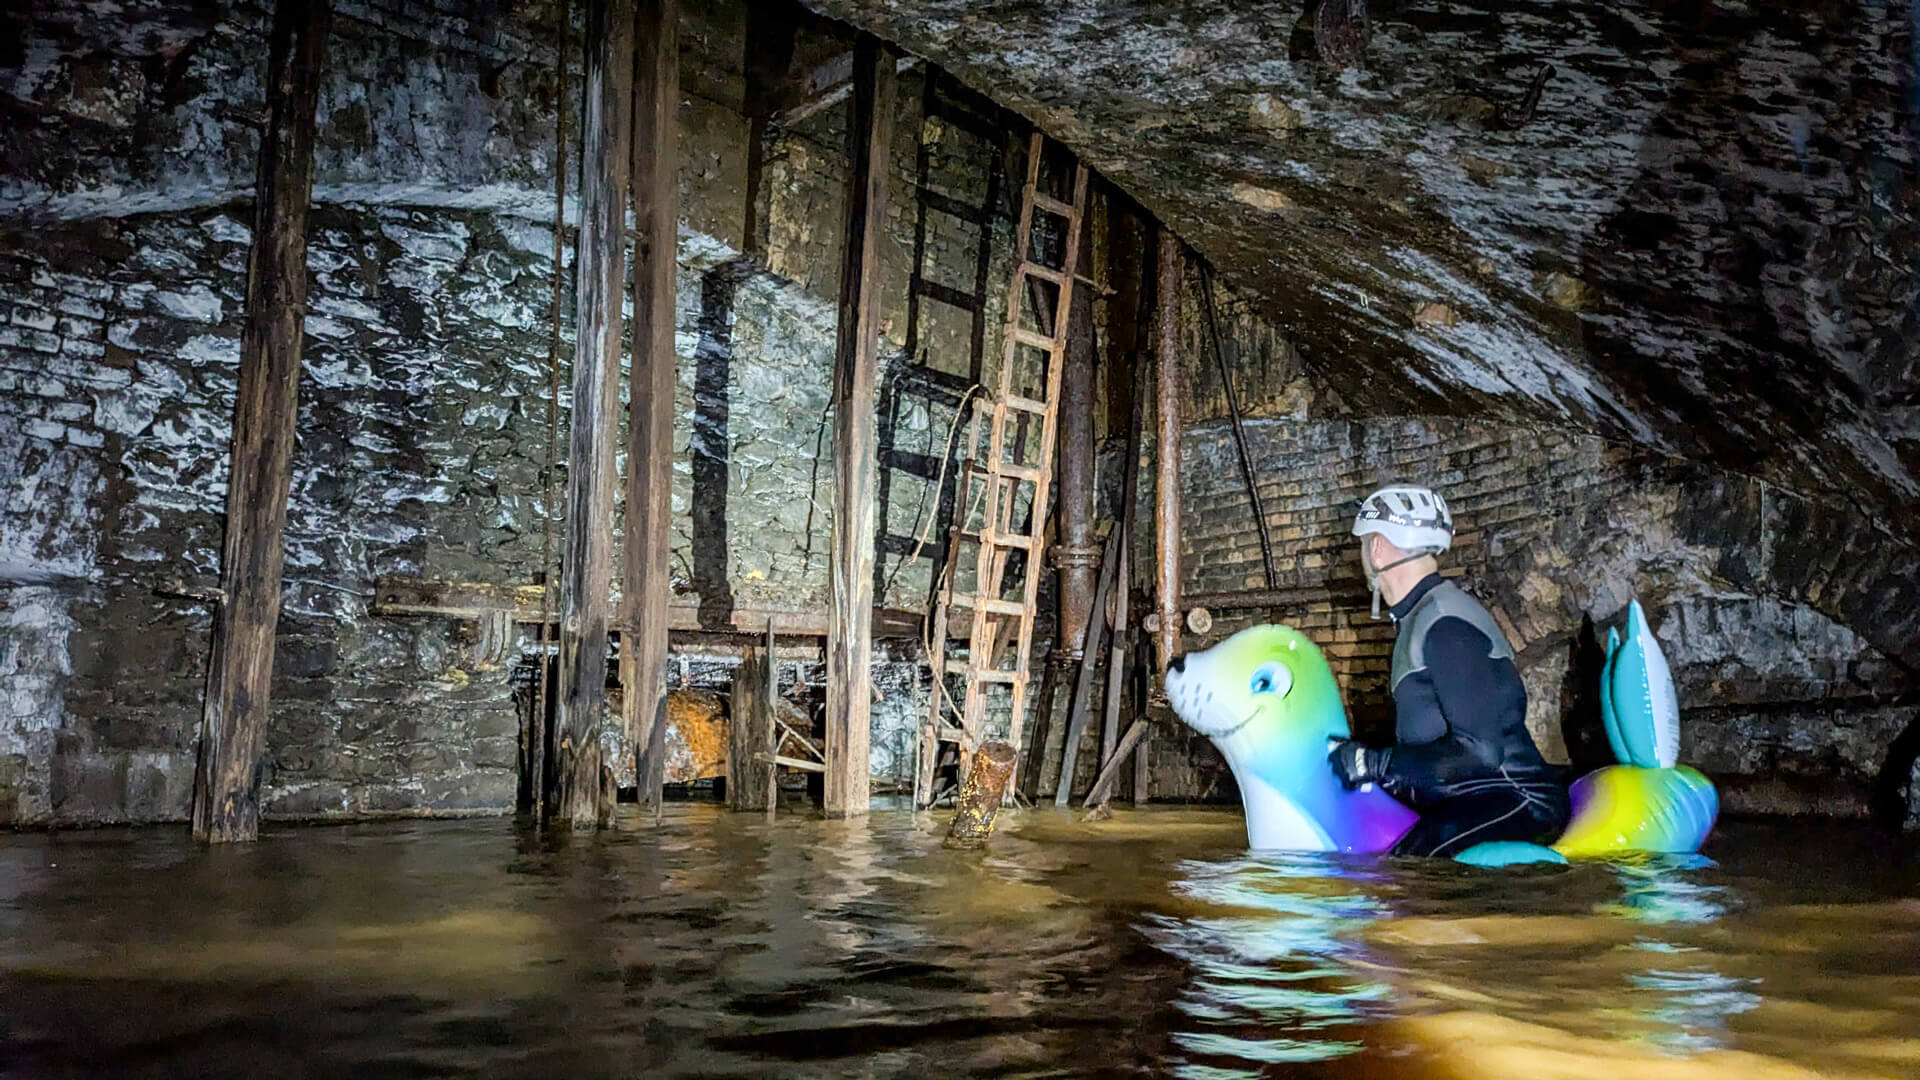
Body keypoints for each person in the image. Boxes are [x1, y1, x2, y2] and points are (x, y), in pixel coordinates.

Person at [1326, 485, 1569, 857]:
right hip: (1472, 799)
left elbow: (1483, 752)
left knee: (1409, 872)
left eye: (1364, 544)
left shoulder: (1444, 622)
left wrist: (1376, 763)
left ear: (1376, 548)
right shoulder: (1424, 616)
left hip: (1519, 802)